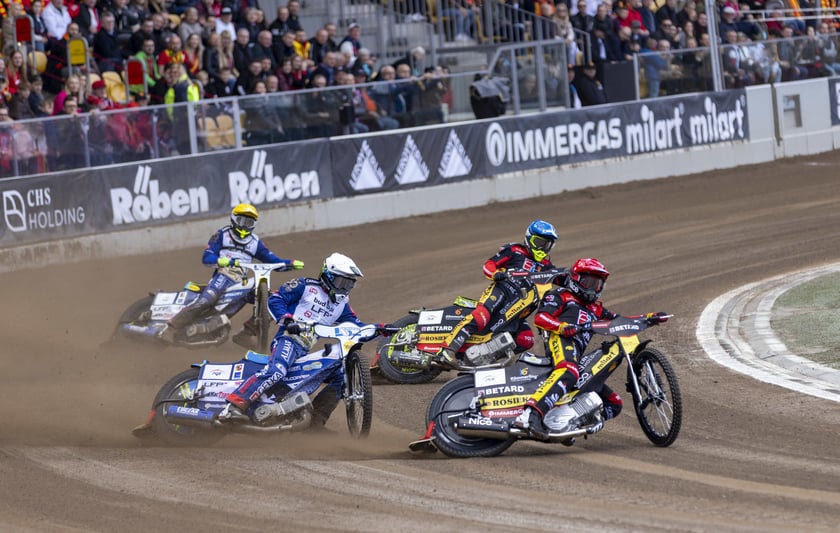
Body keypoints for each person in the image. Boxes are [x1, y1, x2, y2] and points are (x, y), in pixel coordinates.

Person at [219, 253, 389, 425]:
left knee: (341, 375)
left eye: (349, 284)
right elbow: (276, 299)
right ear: (328, 276)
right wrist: (286, 320)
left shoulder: (341, 304)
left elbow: (356, 326)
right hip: (288, 340)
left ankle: (316, 422)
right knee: (277, 371)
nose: (344, 288)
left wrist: (380, 328)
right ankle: (234, 404)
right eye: (341, 282)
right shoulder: (304, 286)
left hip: (304, 349)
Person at [512, 258, 669, 441]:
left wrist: (649, 317)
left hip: (577, 354)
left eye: (597, 284)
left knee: (614, 403)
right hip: (561, 340)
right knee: (569, 371)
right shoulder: (560, 295)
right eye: (589, 282)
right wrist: (562, 327)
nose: (593, 288)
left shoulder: (596, 308)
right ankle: (530, 415)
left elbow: (620, 321)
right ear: (575, 279)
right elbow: (540, 318)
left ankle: (569, 423)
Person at [158, 203, 304, 342]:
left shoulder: (255, 242)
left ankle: (247, 333)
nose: (244, 225)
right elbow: (207, 257)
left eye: (249, 222)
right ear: (234, 219)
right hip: (223, 276)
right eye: (241, 220)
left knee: (272, 300)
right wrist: (222, 261)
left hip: (241, 281)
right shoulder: (222, 235)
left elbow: (273, 261)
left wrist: (290, 263)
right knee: (206, 301)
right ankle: (171, 328)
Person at [436, 220, 563, 366]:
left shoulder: (546, 266)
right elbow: (489, 265)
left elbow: (562, 279)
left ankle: (481, 360)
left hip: (519, 308)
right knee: (481, 317)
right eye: (539, 242)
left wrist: (578, 276)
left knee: (526, 339)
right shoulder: (515, 250)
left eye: (546, 244)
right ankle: (447, 349)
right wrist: (495, 274)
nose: (542, 247)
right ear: (529, 238)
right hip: (502, 291)